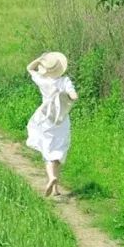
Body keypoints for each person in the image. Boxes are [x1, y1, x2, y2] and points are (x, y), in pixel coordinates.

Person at [25, 51, 78, 197]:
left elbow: (29, 68)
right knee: (58, 151)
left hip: (46, 118)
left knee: (47, 149)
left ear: (46, 68)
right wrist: (69, 97)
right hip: (61, 119)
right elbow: (74, 96)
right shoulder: (64, 81)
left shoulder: (42, 79)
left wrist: (40, 60)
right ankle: (55, 189)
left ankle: (51, 178)